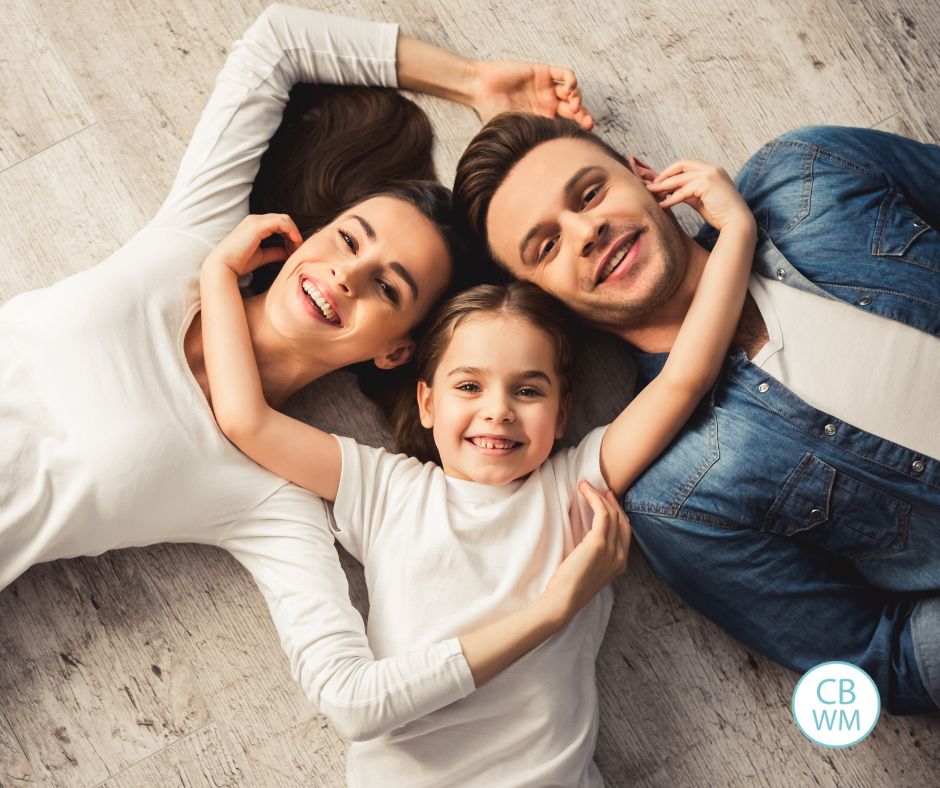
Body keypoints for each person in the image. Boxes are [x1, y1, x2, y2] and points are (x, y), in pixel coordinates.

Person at [0, 4, 607, 742]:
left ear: (396, 352)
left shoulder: (269, 494)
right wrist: (472, 81)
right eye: (348, 238)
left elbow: (354, 700)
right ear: (308, 234)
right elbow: (278, 42)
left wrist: (551, 610)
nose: (346, 274)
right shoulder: (191, 240)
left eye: (389, 288)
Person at [196, 149, 755, 783]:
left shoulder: (575, 488)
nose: (499, 414)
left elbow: (685, 376)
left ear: (563, 408)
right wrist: (218, 273)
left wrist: (736, 230)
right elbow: (245, 420)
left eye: (528, 390)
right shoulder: (384, 489)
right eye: (469, 387)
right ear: (427, 402)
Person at [452, 112, 940, 714]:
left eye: (591, 193)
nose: (587, 229)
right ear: (543, 302)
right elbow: (876, 663)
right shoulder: (679, 496)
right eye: (548, 246)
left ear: (643, 176)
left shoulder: (809, 173)